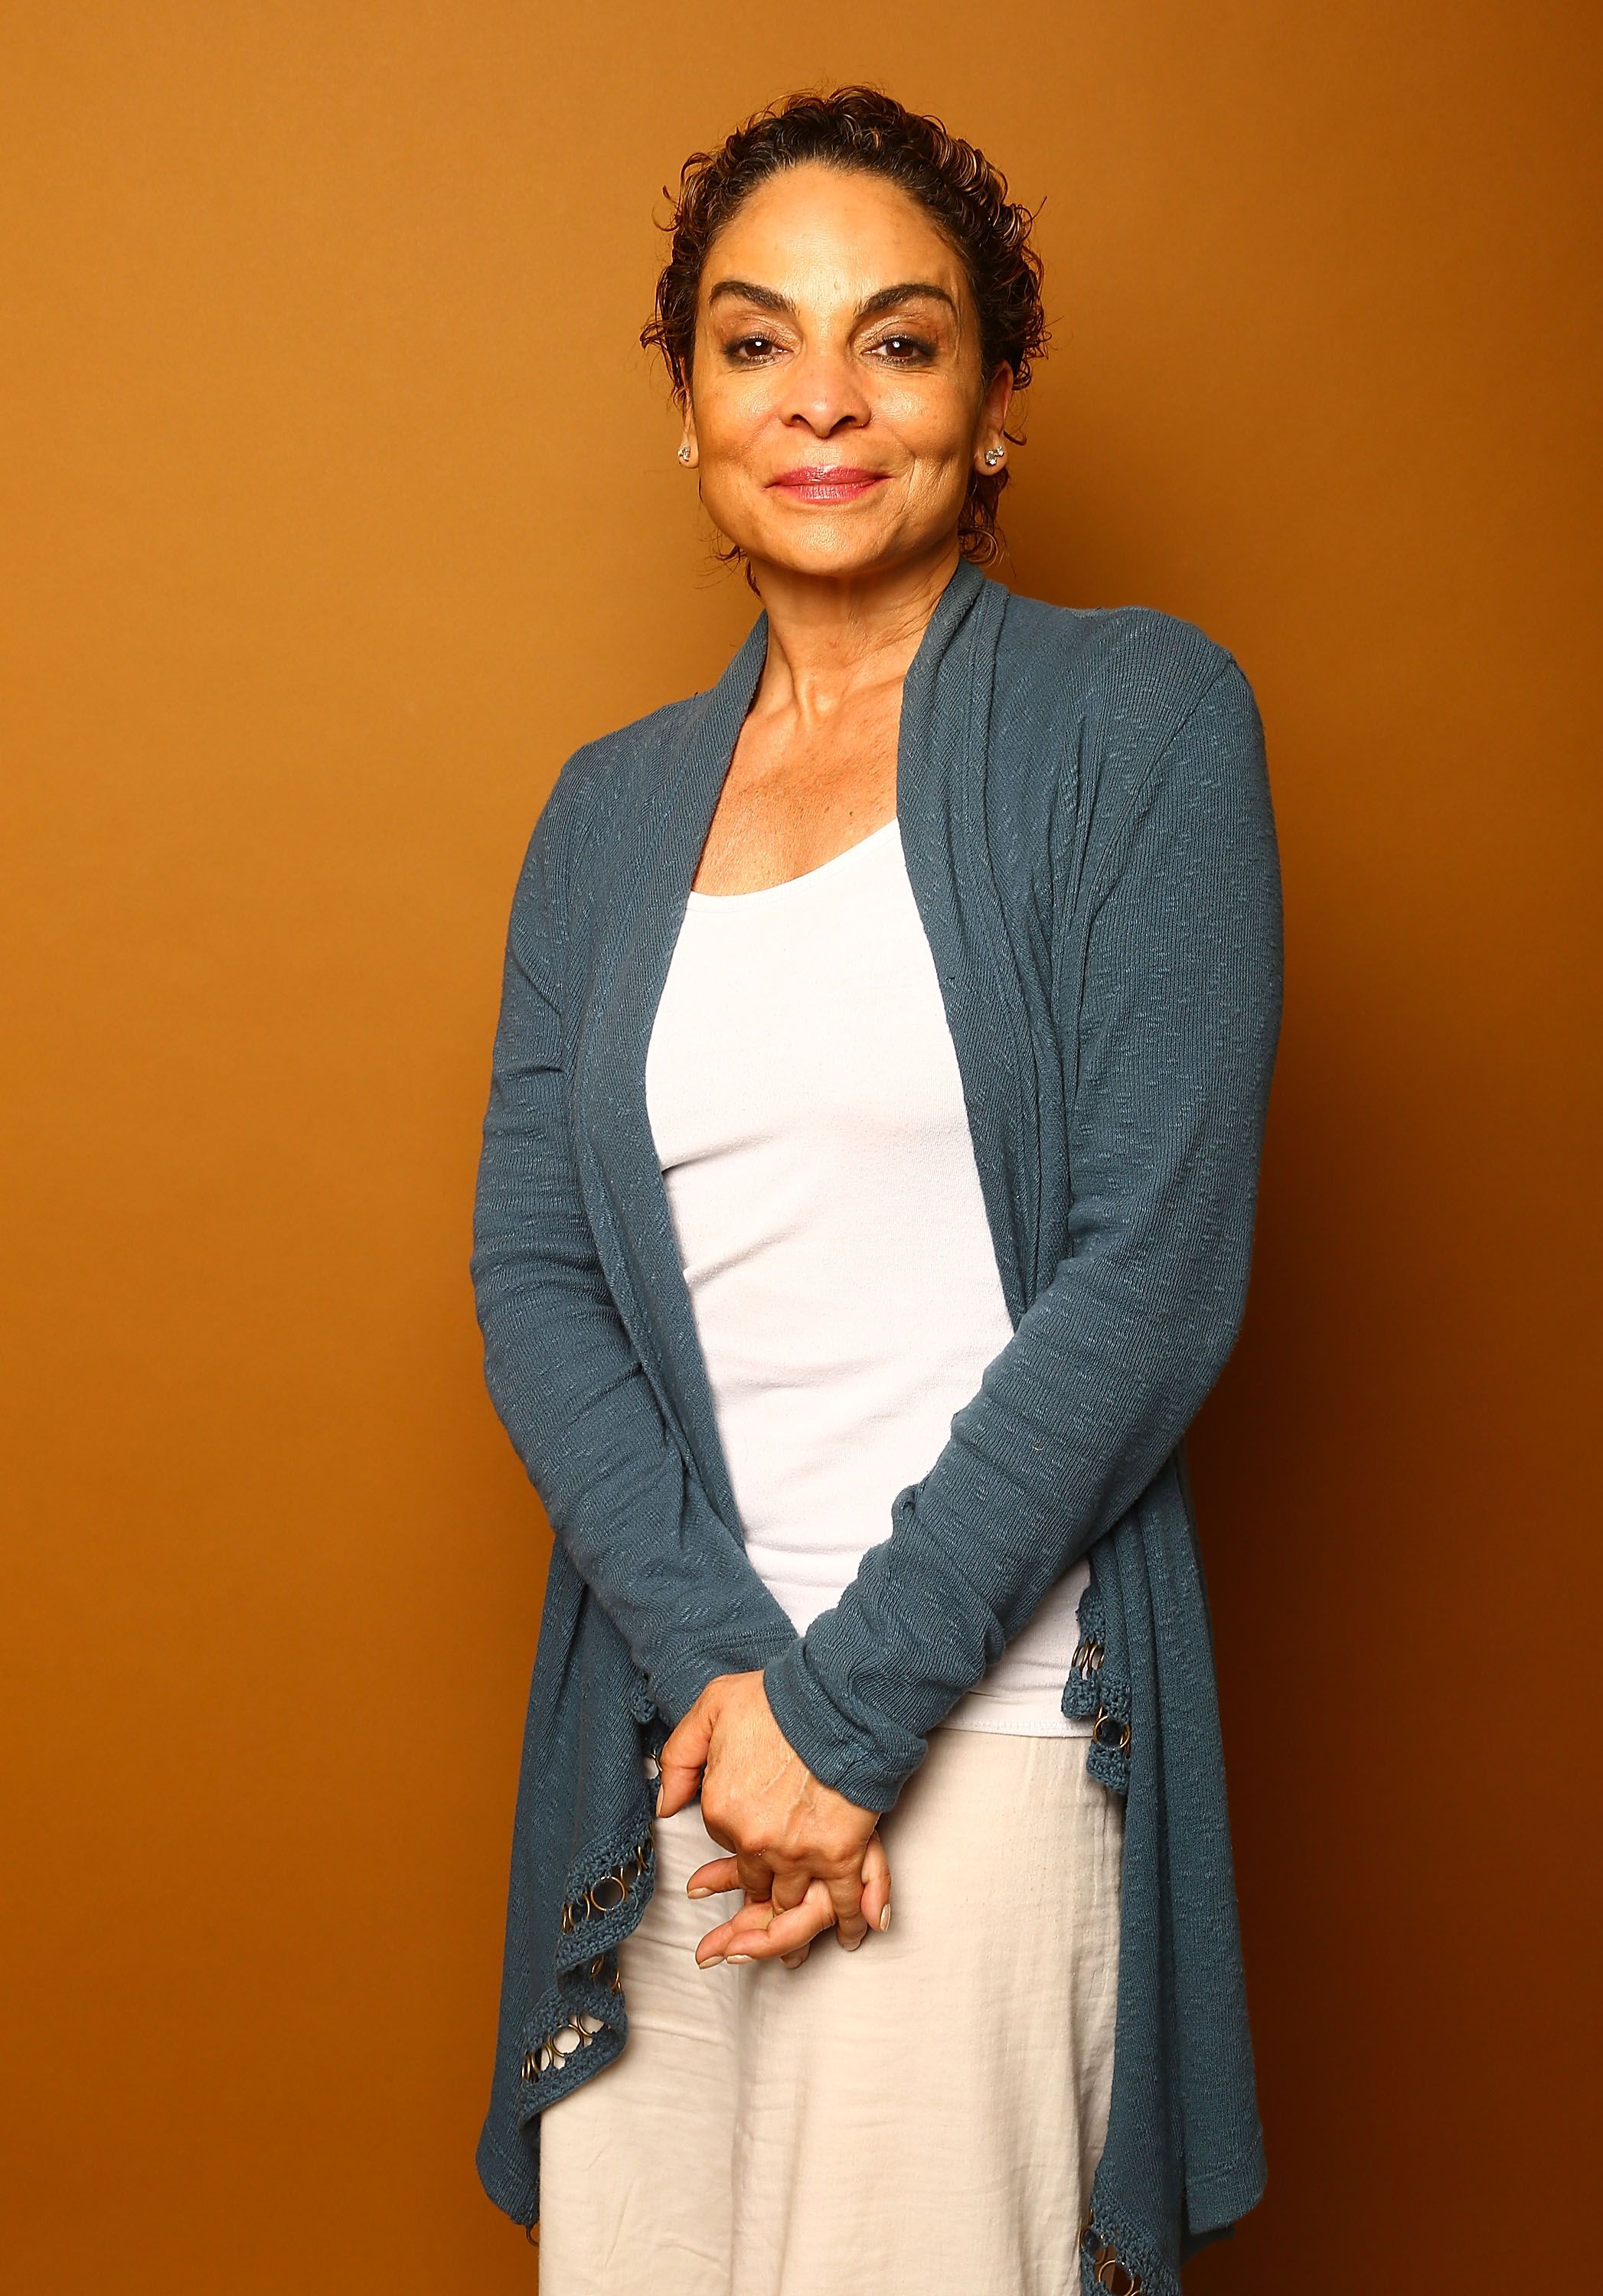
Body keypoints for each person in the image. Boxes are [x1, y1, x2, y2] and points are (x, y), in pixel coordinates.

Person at [469, 86, 1283, 2296]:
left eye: (899, 343)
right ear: (688, 406)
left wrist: (854, 1717)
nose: (823, 397)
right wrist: (737, 1694)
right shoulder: (605, 811)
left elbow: (1157, 1270)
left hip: (992, 1763)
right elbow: (536, 1273)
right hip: (683, 1763)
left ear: (995, 405)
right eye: (757, 343)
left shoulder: (1145, 725)